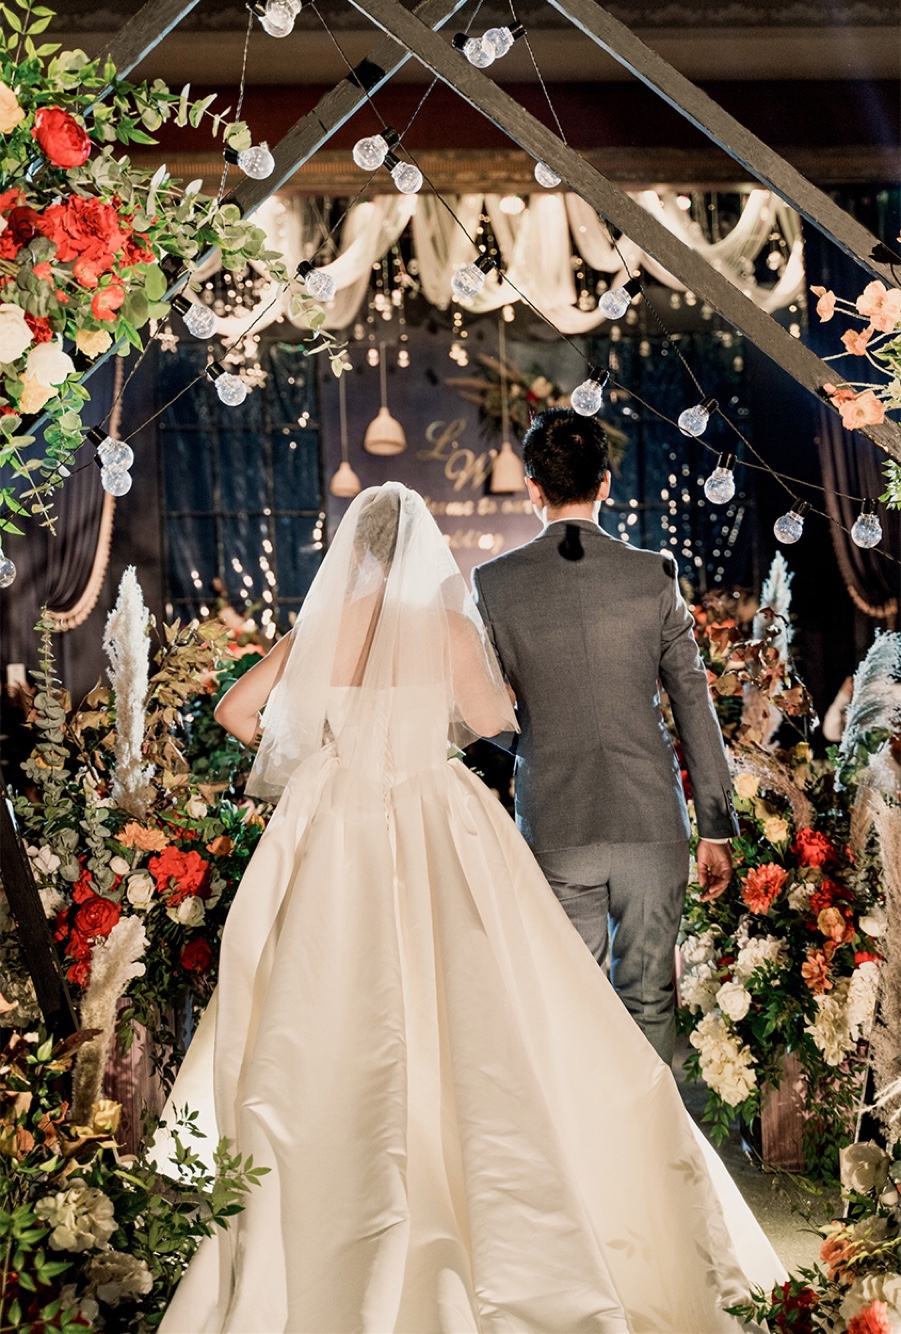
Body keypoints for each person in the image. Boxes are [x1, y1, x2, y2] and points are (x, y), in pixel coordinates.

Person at [157, 483, 782, 1334]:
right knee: (465, 988)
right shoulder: (446, 630)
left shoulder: (319, 628)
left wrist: (319, 758)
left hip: (335, 823)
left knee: (330, 993)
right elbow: (497, 722)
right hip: (432, 815)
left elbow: (236, 711)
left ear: (356, 548)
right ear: (419, 547)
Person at [472, 409, 737, 1065]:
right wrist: (715, 826)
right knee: (650, 1001)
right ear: (606, 484)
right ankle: (651, 1130)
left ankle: (586, 1131)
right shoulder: (653, 574)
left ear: (532, 488)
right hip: (650, 818)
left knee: (571, 1003)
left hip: (554, 819)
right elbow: (692, 701)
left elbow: (480, 713)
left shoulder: (494, 583)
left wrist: (532, 749)